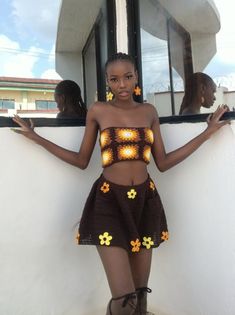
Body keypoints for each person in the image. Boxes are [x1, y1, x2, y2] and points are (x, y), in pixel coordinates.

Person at [12, 53, 229, 315]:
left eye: (127, 77)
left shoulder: (149, 112)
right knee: (126, 301)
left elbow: (163, 161)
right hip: (108, 203)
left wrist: (207, 133)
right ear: (107, 82)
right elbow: (81, 160)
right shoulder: (99, 111)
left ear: (136, 76)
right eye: (114, 79)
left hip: (144, 202)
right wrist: (36, 138)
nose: (122, 85)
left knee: (140, 297)